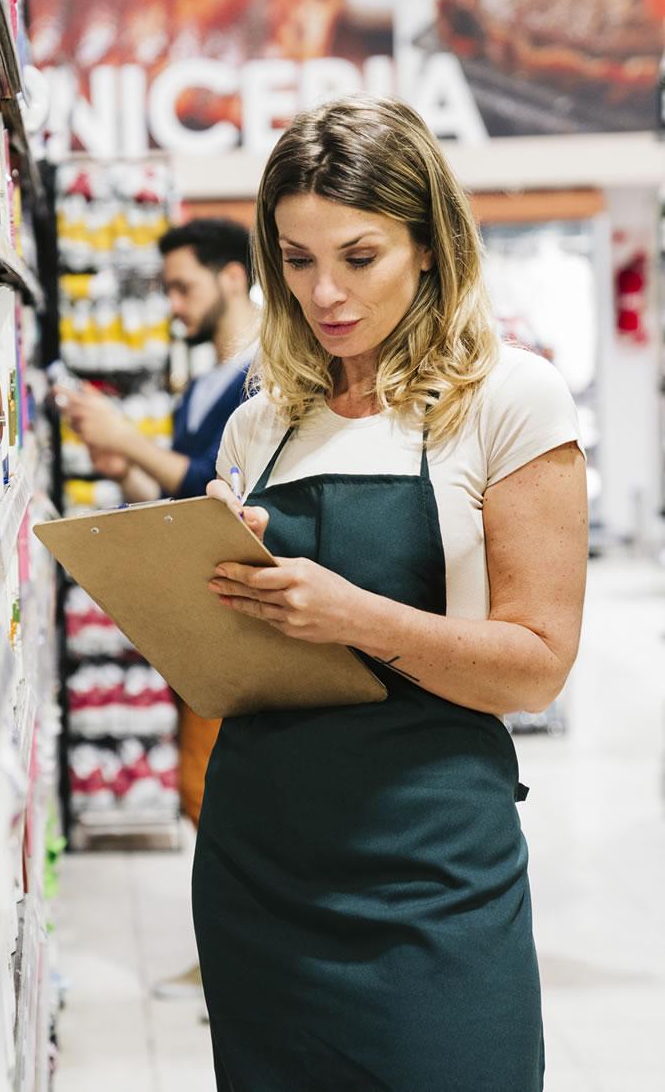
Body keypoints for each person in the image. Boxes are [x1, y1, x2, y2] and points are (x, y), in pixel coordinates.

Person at [194, 95, 588, 1090]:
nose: (323, 291)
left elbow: (537, 668)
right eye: (295, 259)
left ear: (427, 246)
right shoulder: (262, 425)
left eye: (357, 257)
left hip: (432, 864)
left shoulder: (510, 400)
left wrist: (351, 614)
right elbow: (225, 671)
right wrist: (202, 582)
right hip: (263, 858)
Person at [55, 217, 258, 1001]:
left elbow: (215, 489)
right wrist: (119, 462)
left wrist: (128, 439)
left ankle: (243, 969)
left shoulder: (260, 377)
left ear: (232, 277)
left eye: (184, 286)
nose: (173, 305)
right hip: (197, 621)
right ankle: (233, 959)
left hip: (235, 622)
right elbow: (171, 499)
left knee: (220, 796)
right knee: (204, 794)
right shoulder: (201, 380)